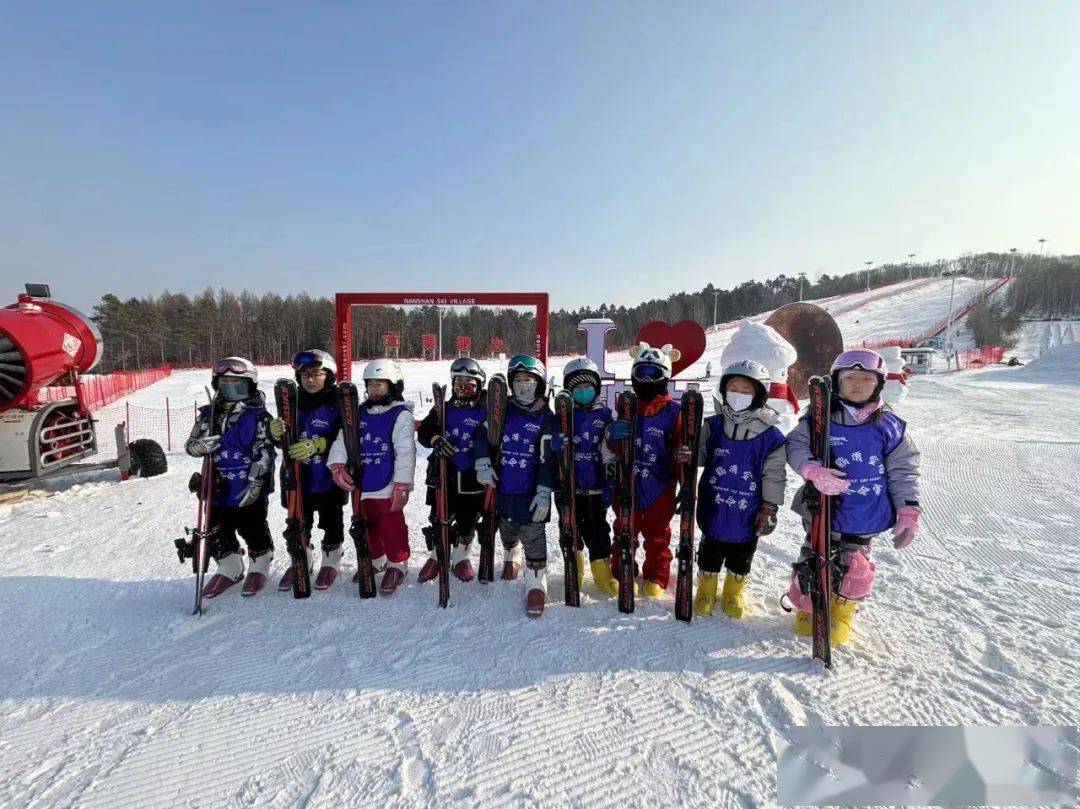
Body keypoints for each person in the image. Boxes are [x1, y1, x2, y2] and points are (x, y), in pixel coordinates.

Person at [784, 349, 922, 645]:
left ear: (879, 384)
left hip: (864, 512)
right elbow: (796, 445)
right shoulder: (820, 418)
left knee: (853, 565)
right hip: (823, 508)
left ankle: (841, 612)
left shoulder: (889, 425)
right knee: (813, 557)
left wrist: (908, 511)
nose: (858, 385)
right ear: (837, 382)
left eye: (866, 379)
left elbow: (904, 469)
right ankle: (808, 606)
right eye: (850, 379)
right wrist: (811, 470)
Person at [692, 360, 787, 618]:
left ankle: (734, 591)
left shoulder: (772, 437)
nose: (738, 395)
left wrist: (769, 507)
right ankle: (706, 588)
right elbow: (698, 456)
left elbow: (774, 475)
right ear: (724, 391)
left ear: (759, 395)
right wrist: (686, 453)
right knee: (710, 551)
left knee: (742, 554)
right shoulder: (713, 426)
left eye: (746, 391)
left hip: (748, 511)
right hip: (714, 505)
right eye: (733, 388)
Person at [184, 357, 276, 597]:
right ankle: (229, 565)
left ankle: (260, 561)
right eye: (225, 383)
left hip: (246, 482)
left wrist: (256, 483)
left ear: (250, 385)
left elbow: (264, 450)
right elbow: (191, 443)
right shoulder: (209, 414)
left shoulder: (258, 417)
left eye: (238, 384)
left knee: (251, 524)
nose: (231, 389)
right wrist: (199, 447)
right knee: (216, 526)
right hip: (217, 483)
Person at [474, 354, 556, 616]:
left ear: (539, 383)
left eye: (529, 380)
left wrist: (544, 491)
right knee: (507, 530)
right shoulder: (502, 410)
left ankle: (535, 583)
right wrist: (483, 461)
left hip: (530, 490)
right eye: (518, 380)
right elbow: (480, 434)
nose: (523, 385)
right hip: (503, 488)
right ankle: (511, 554)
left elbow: (548, 458)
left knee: (532, 535)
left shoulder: (547, 417)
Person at [327, 358, 416, 595]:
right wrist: (337, 465)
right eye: (371, 384)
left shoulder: (400, 414)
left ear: (394, 385)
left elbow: (406, 451)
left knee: (391, 525)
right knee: (367, 525)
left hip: (387, 481)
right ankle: (376, 559)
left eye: (380, 384)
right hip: (363, 482)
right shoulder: (357, 413)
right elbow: (342, 440)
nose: (374, 389)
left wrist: (402, 484)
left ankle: (397, 563)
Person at [609, 342, 682, 598]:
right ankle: (620, 570)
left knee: (658, 535)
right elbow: (614, 449)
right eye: (641, 374)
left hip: (659, 485)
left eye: (654, 374)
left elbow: (683, 449)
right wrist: (613, 435)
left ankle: (656, 575)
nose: (647, 380)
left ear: (665, 377)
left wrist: (683, 471)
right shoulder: (626, 406)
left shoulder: (674, 411)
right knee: (623, 530)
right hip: (627, 483)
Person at [270, 349, 346, 590]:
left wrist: (320, 444)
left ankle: (331, 558)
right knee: (299, 520)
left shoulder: (336, 403)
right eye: (304, 376)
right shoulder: (292, 402)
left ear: (329, 376)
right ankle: (302, 556)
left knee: (331, 519)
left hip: (328, 476)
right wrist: (276, 434)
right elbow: (284, 440)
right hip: (298, 476)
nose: (310, 380)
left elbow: (347, 435)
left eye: (316, 374)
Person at [415, 358, 487, 583]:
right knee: (439, 516)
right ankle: (438, 554)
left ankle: (461, 557)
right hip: (443, 474)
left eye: (470, 384)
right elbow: (424, 432)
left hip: (472, 477)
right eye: (459, 383)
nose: (463, 388)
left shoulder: (483, 412)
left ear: (478, 386)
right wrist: (435, 438)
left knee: (468, 519)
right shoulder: (442, 409)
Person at [554, 357, 617, 597]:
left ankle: (601, 572)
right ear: (568, 391)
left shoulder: (605, 415)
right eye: (576, 388)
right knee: (569, 530)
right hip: (568, 488)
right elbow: (548, 449)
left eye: (587, 387)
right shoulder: (562, 415)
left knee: (598, 531)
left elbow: (611, 454)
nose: (582, 392)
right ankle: (575, 568)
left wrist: (613, 435)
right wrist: (555, 444)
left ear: (596, 389)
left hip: (595, 488)